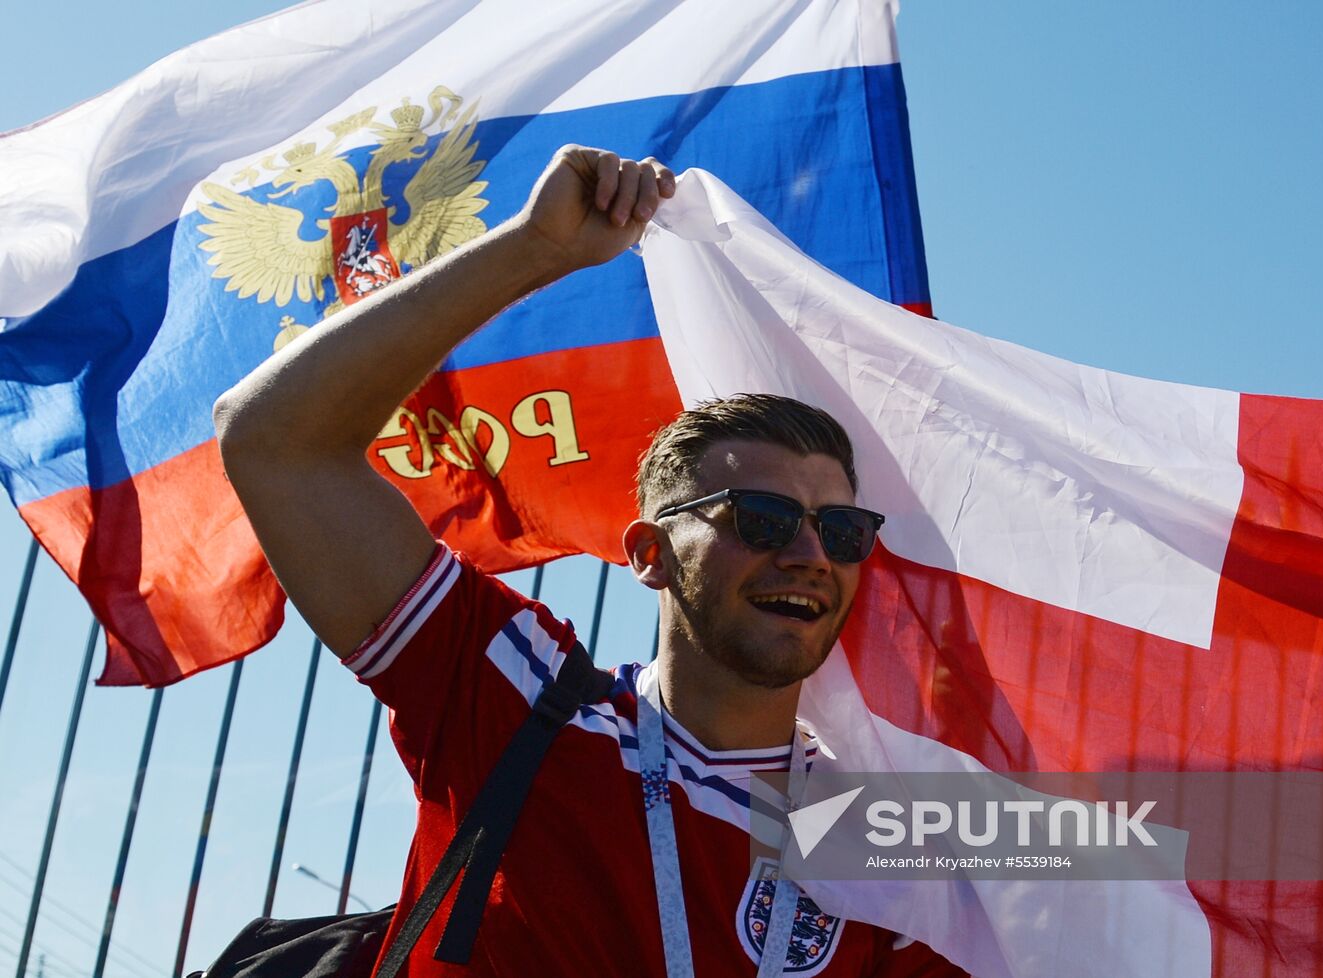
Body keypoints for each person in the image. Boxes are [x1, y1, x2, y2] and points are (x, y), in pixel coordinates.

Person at [214, 147, 961, 976]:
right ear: (649, 553)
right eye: (764, 517)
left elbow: (1124, 853)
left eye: (844, 530)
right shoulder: (518, 697)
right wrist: (537, 248)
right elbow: (274, 442)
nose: (812, 554)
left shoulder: (888, 840)